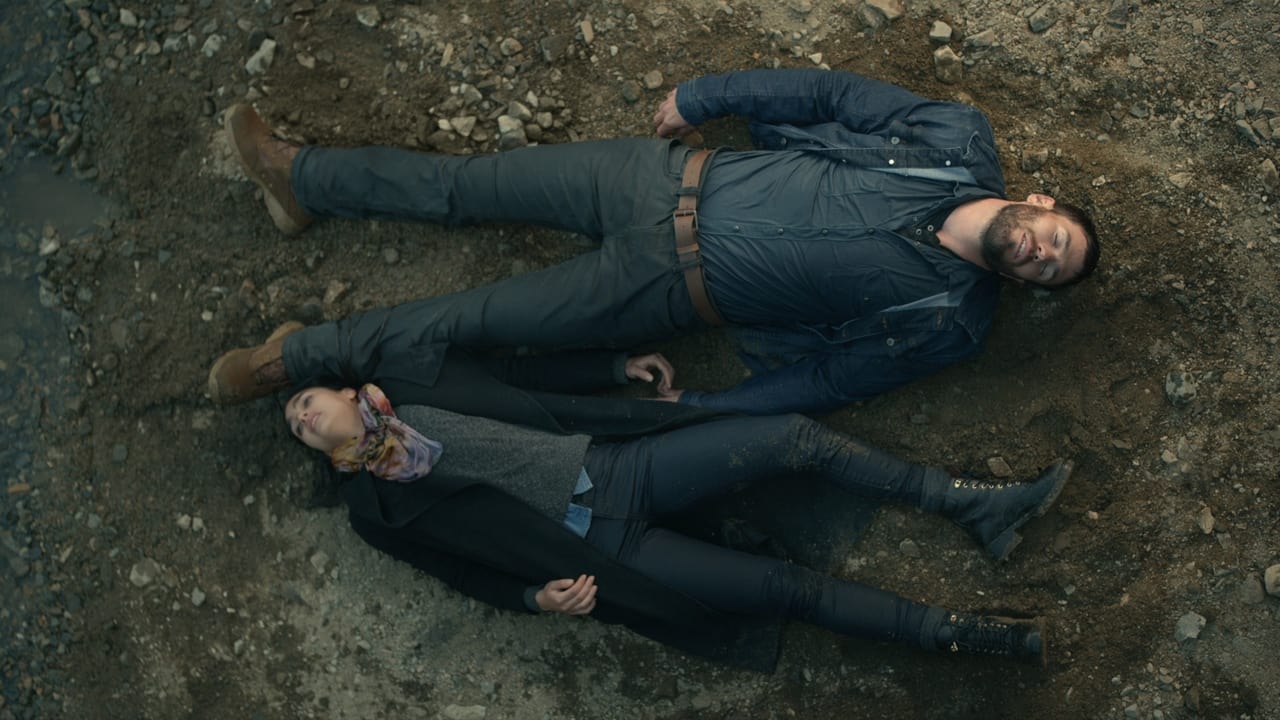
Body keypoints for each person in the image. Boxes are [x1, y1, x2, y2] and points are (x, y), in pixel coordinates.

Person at [216, 68, 1101, 415]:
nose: (1041, 253)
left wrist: (708, 409)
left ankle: (291, 361)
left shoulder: (953, 320)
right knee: (464, 186)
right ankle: (301, 177)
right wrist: (708, 96)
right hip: (650, 177)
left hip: (656, 291)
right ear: (1040, 203)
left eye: (1050, 271)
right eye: (1055, 237)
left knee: (465, 320)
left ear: (1029, 285)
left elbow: (831, 381)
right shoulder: (954, 140)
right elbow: (829, 96)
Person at [223, 322, 1070, 671]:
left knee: (790, 438)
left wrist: (607, 367)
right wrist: (536, 597)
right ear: (318, 449)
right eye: (296, 426)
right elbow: (461, 574)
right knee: (786, 591)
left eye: (306, 401)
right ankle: (966, 635)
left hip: (615, 466)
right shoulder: (373, 511)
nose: (303, 417)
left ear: (344, 391)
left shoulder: (409, 379)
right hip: (602, 555)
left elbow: (513, 370)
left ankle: (968, 502)